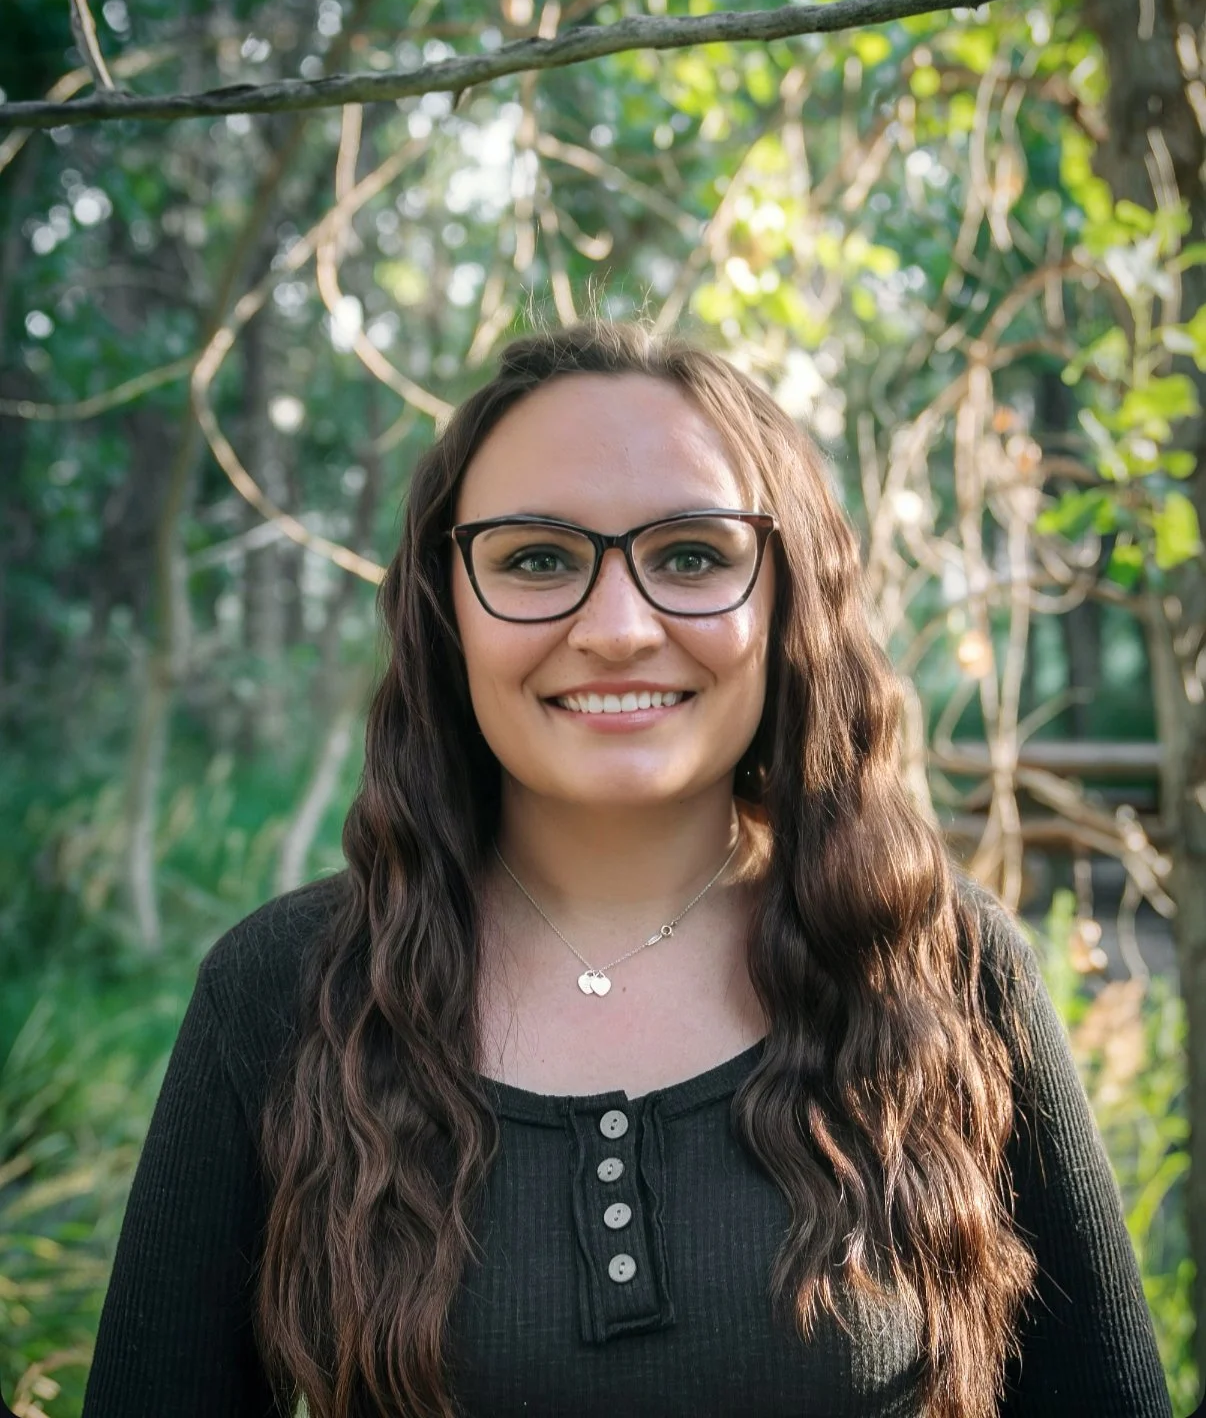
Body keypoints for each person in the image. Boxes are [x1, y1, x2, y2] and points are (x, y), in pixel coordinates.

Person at [82, 321, 1172, 1418]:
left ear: (789, 600)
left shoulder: (941, 966)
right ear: (445, 608)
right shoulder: (282, 990)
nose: (616, 628)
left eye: (692, 556)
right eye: (537, 558)